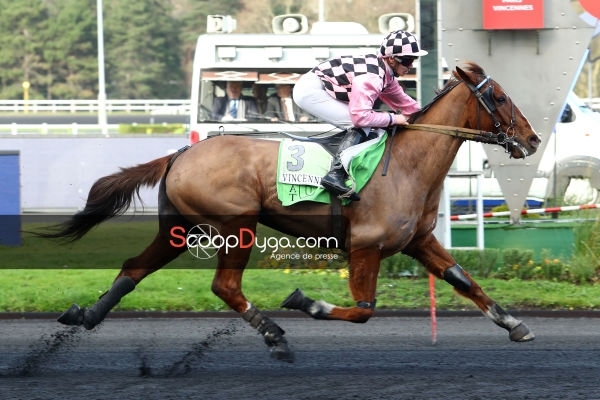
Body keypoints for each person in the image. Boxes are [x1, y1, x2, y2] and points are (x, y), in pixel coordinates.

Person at [292, 30, 428, 201]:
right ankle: (335, 174)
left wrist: (430, 119)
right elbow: (360, 117)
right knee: (362, 124)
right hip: (310, 91)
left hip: (319, 86)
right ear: (391, 59)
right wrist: (394, 119)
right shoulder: (373, 77)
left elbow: (407, 105)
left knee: (370, 125)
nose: (411, 66)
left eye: (413, 60)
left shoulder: (386, 74)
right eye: (408, 61)